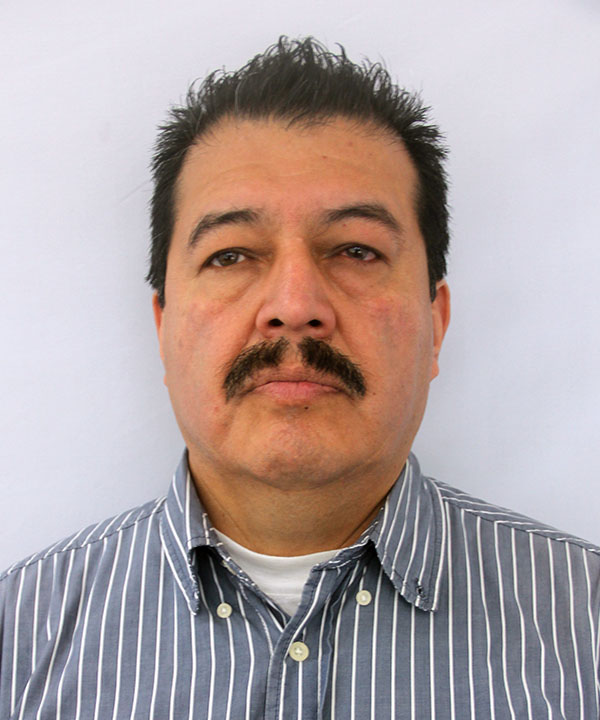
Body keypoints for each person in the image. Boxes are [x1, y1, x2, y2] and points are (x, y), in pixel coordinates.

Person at [1, 36, 598, 719]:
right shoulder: (20, 640)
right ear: (163, 328)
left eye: (355, 250)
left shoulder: (584, 628)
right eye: (231, 255)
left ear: (435, 322)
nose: (294, 306)